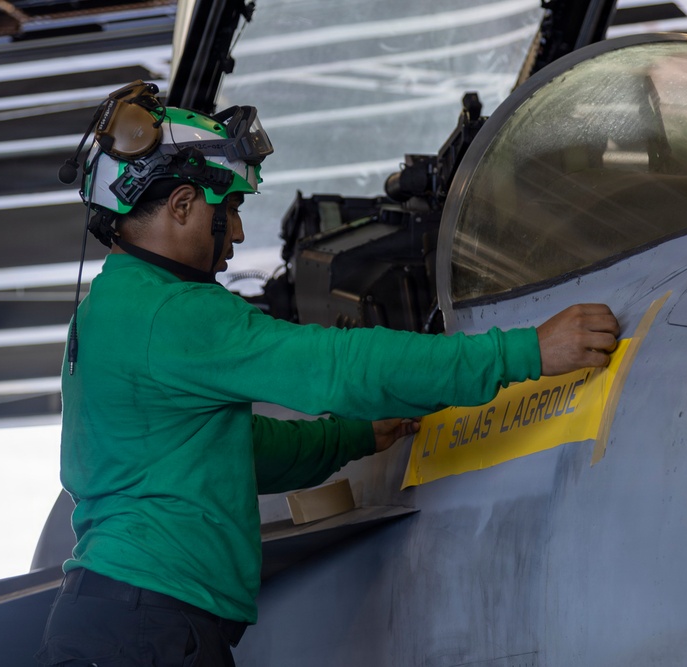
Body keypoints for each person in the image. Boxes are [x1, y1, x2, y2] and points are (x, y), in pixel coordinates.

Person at [36, 82, 620, 666]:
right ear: (184, 205)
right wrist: (527, 353)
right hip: (146, 629)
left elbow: (229, 453)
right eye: (231, 209)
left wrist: (355, 437)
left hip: (123, 622)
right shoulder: (173, 312)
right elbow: (335, 367)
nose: (236, 235)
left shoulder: (111, 310)